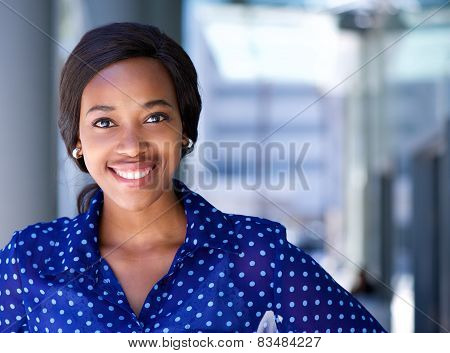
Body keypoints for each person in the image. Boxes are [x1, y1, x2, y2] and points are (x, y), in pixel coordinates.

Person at [0, 22, 387, 333]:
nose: (132, 146)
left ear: (184, 130)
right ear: (77, 141)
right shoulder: (30, 259)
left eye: (155, 118)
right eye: (104, 122)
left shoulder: (256, 255)